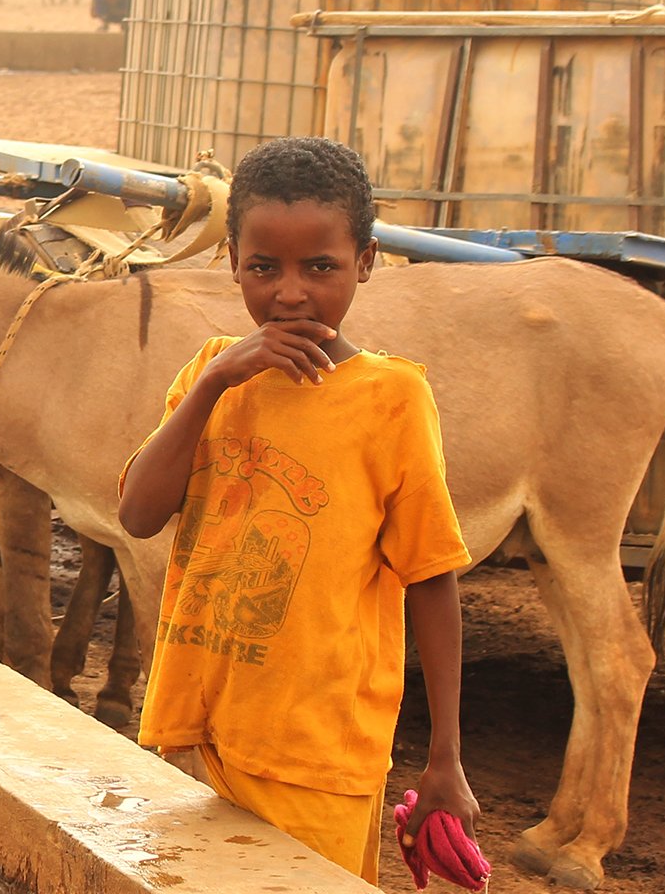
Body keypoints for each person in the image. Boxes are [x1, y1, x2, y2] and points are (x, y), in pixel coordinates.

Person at [116, 136, 477, 883]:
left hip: (316, 759)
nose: (289, 293)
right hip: (194, 735)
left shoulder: (392, 400)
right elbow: (139, 514)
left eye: (320, 267)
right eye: (263, 267)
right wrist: (216, 382)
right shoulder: (214, 372)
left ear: (366, 262)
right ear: (232, 262)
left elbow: (432, 578)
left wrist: (446, 757)